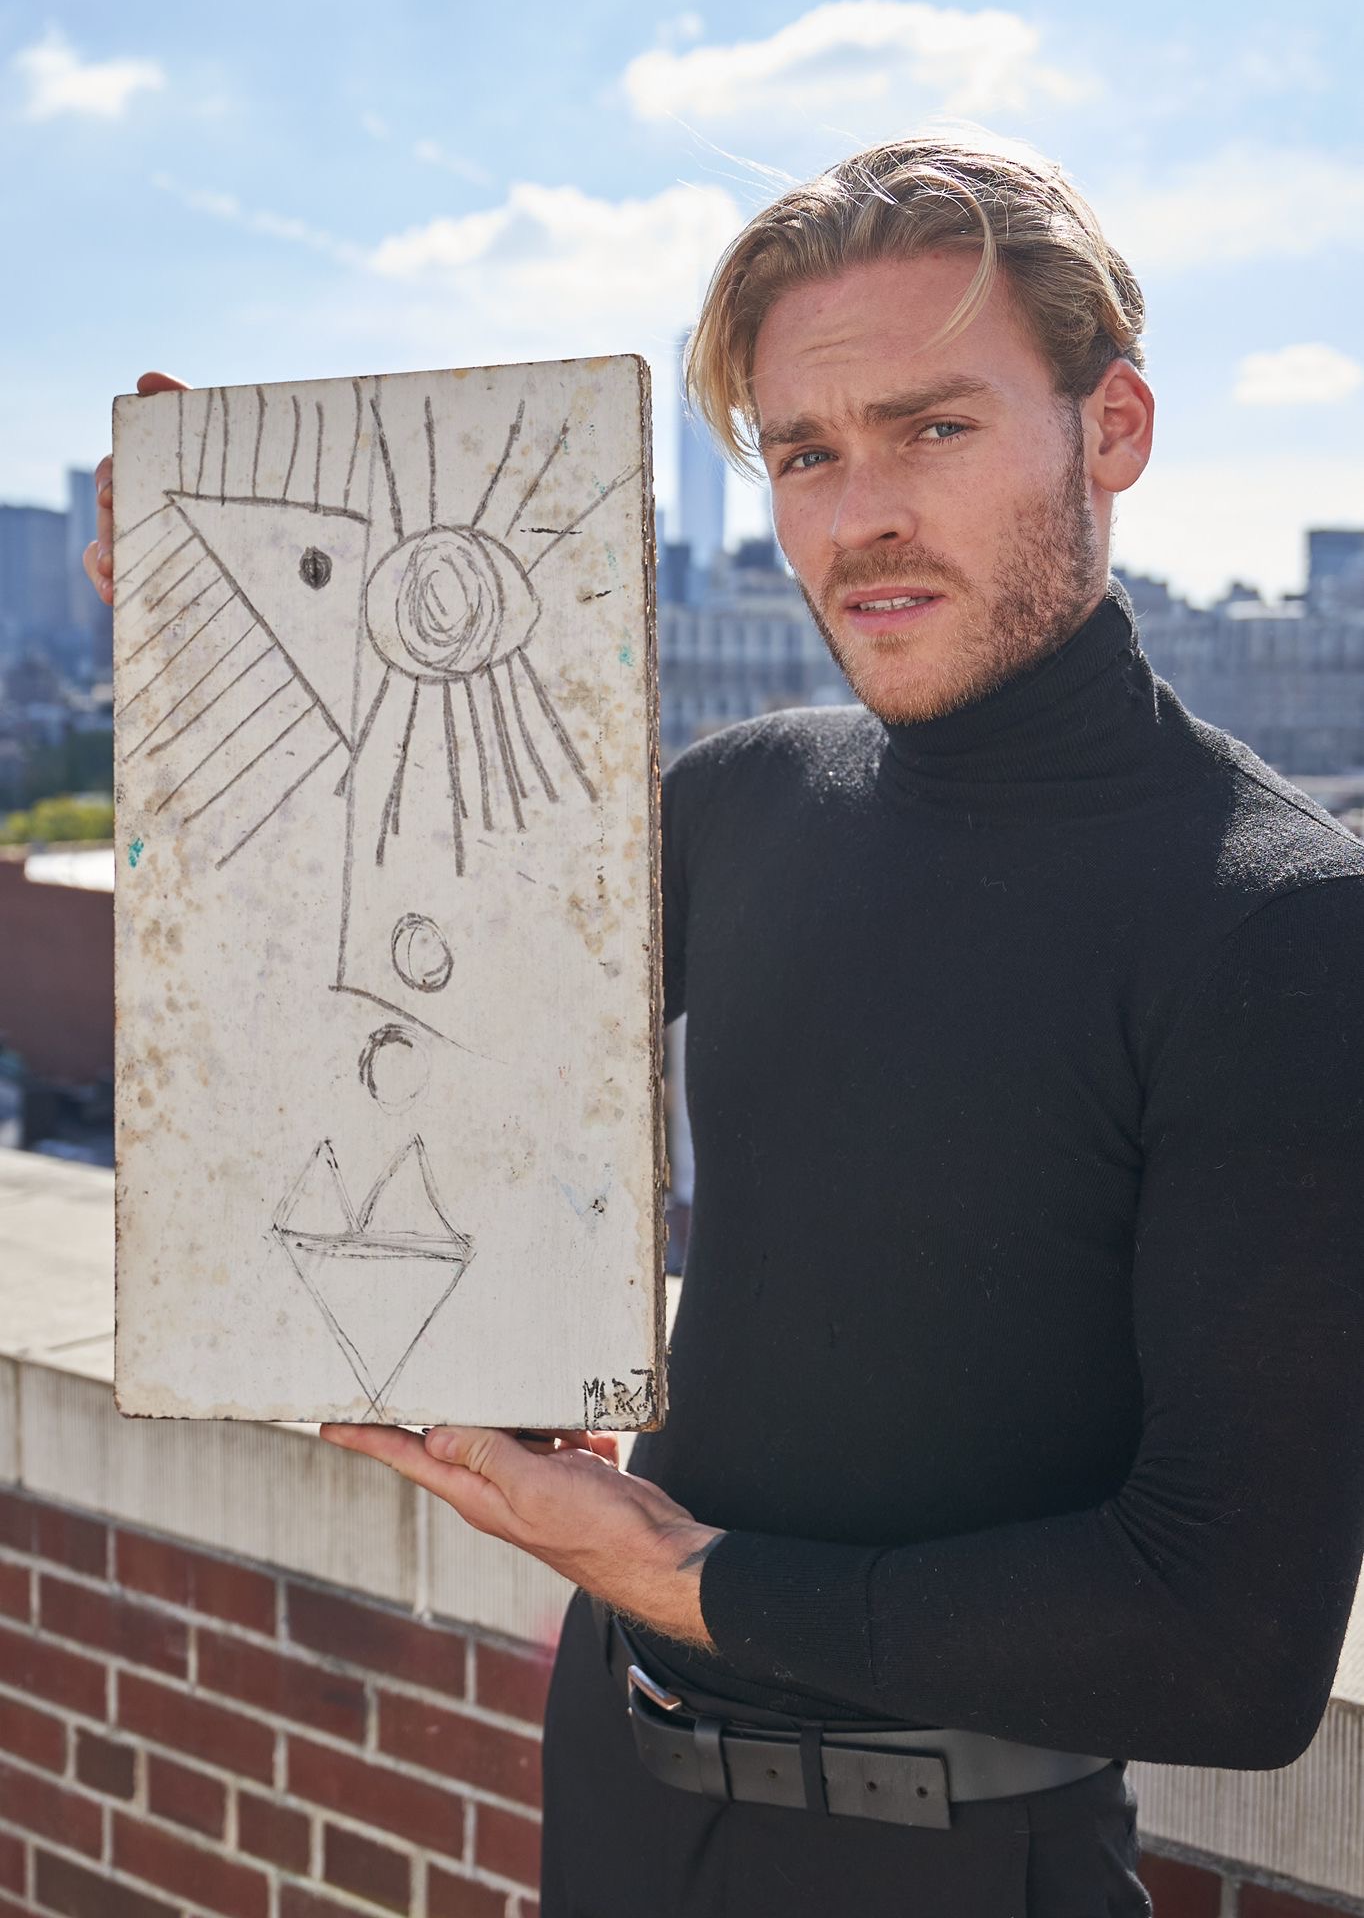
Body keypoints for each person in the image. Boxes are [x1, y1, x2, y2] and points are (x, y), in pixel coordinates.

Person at [86, 135, 1364, 1918]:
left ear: (1115, 429)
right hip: (616, 1782)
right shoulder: (748, 797)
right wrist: (222, 658)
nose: (860, 518)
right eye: (806, 454)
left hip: (958, 1858)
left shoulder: (1280, 922)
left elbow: (1233, 1649)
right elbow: (391, 1006)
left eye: (936, 428)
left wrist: (687, 1576)